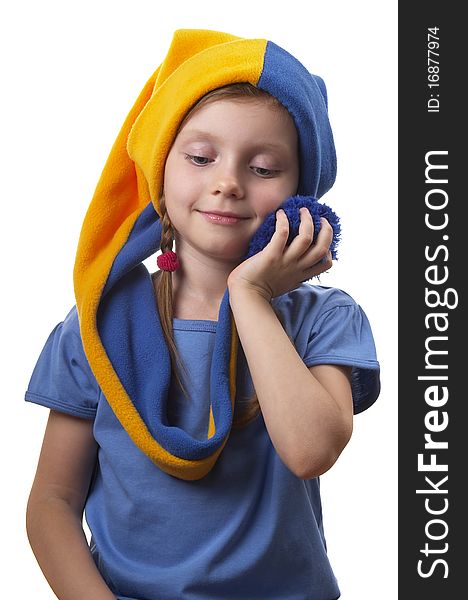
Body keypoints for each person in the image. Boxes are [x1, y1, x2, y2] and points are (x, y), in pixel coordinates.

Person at [24, 29, 380, 600]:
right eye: (200, 157)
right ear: (161, 167)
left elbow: (311, 451)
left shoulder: (324, 318)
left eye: (264, 168)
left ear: (300, 195)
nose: (228, 183)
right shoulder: (97, 326)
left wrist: (250, 295)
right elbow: (52, 502)